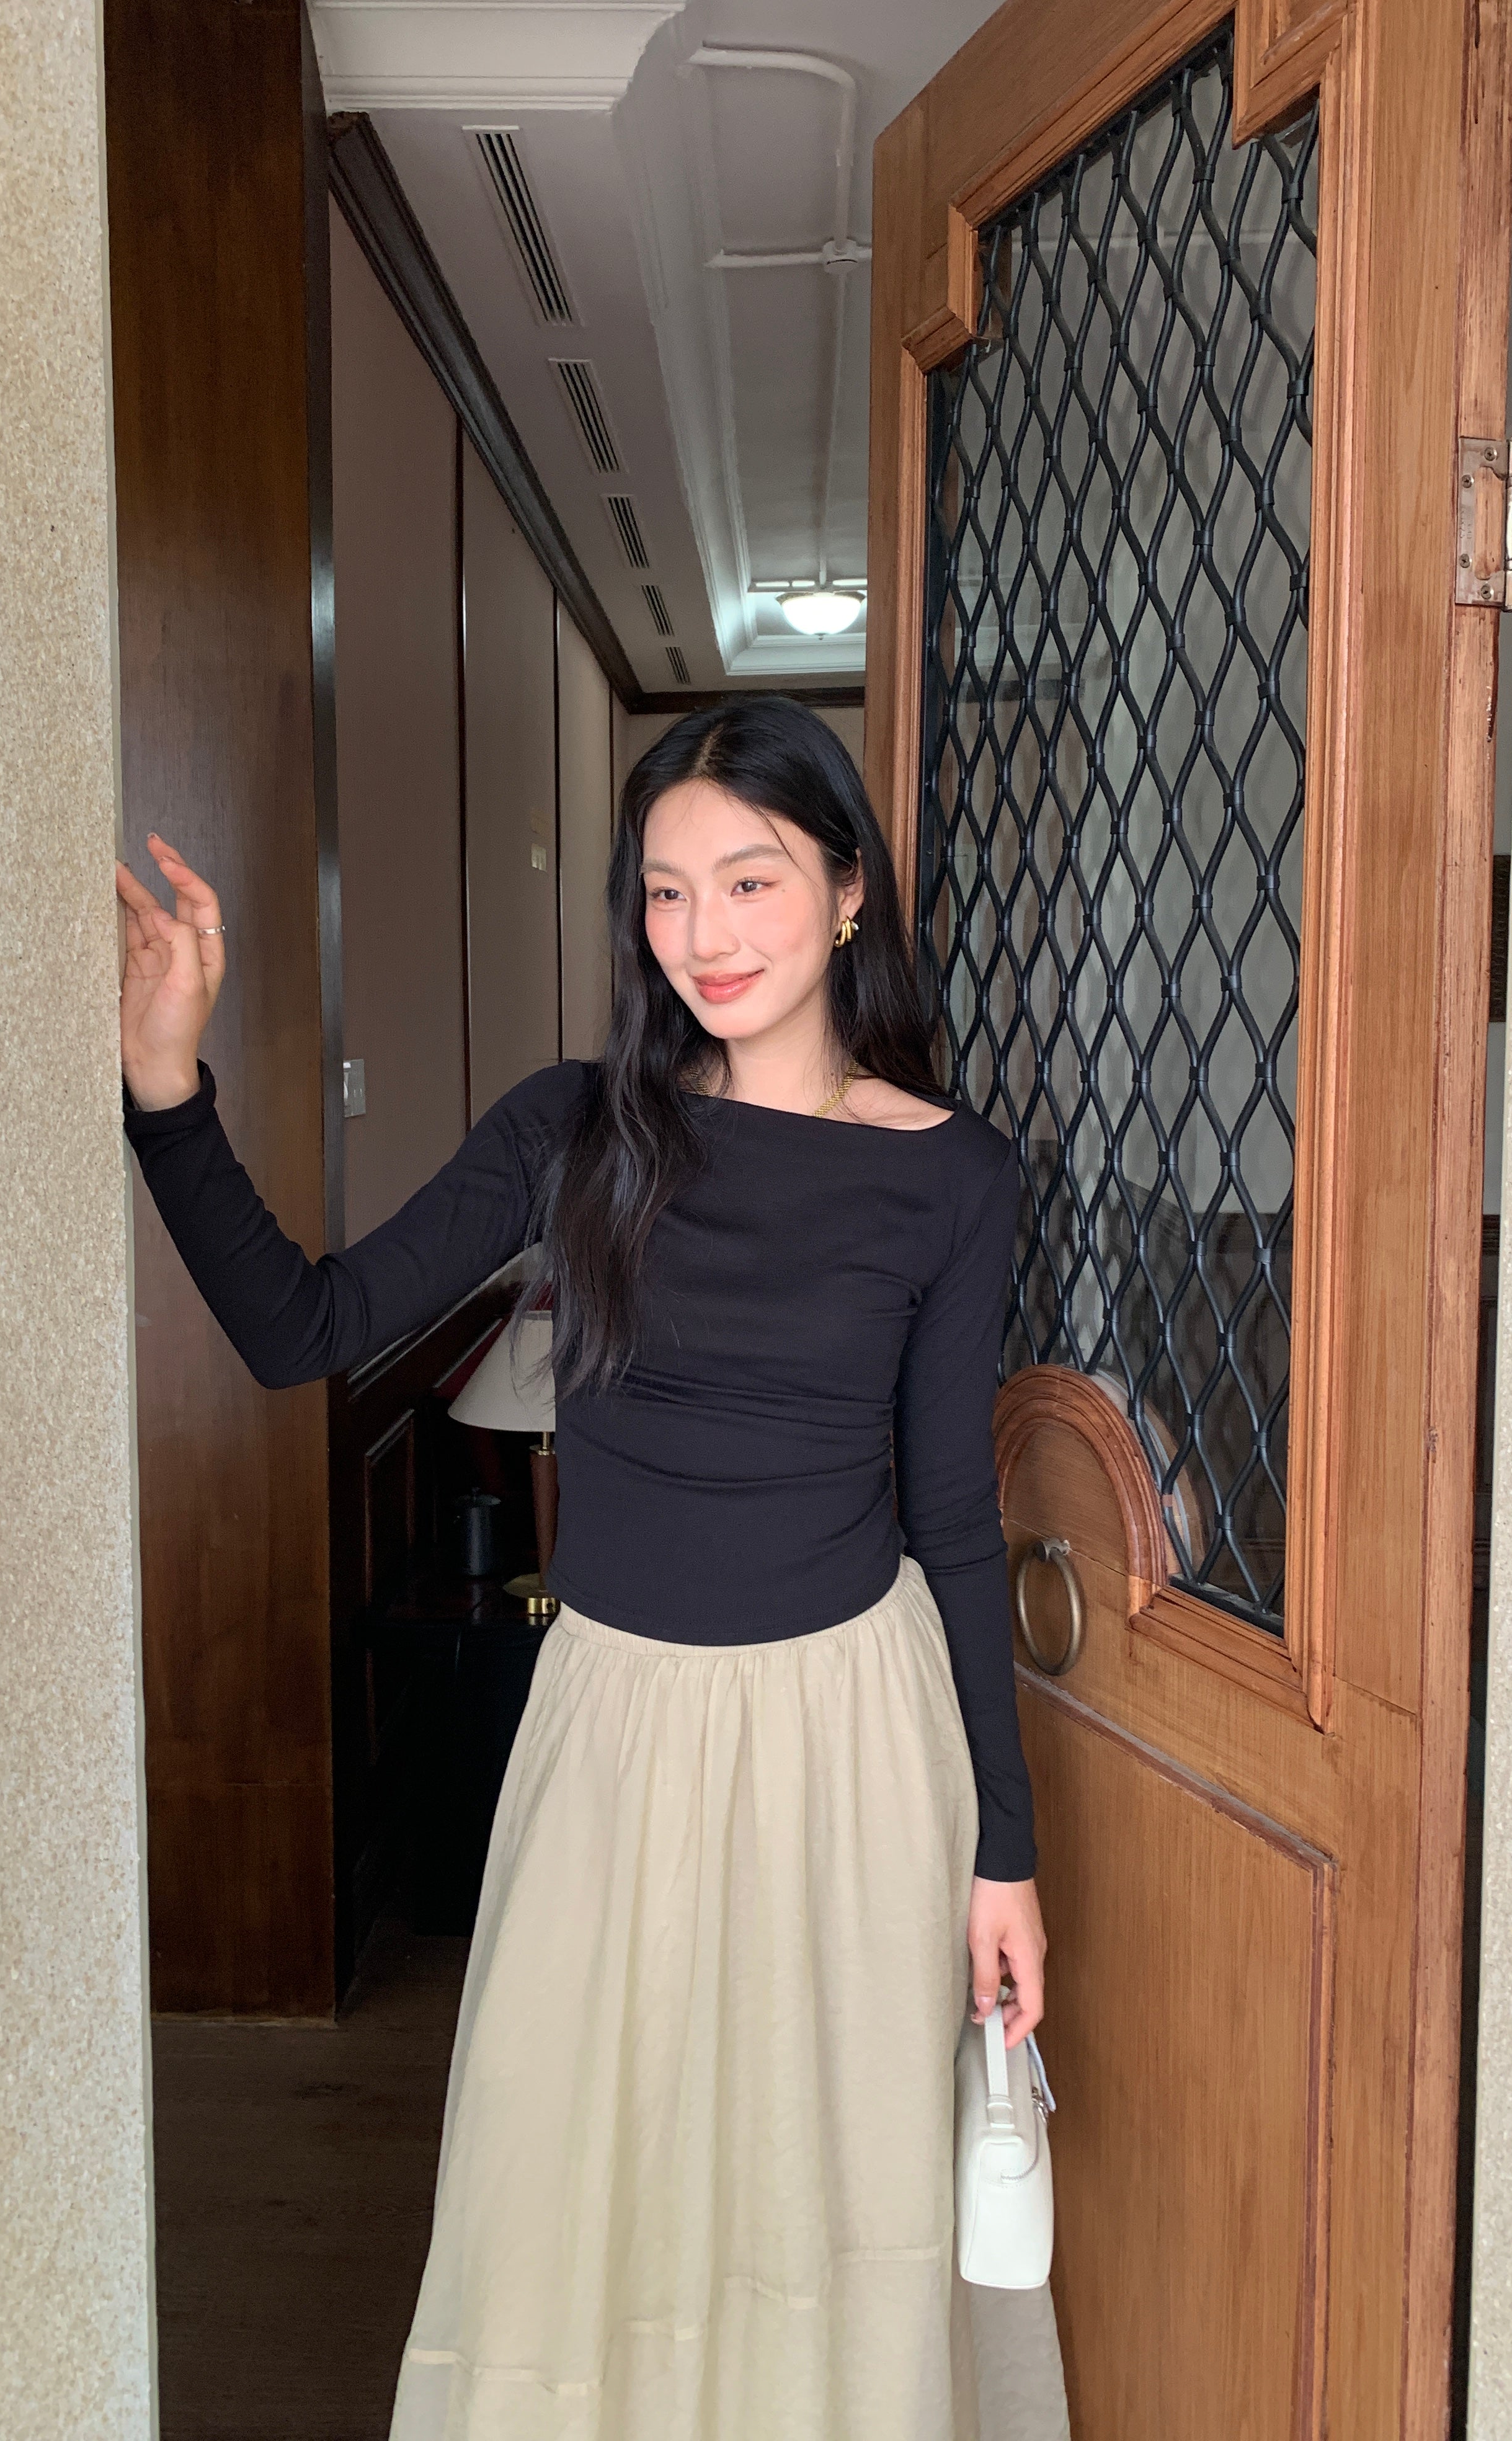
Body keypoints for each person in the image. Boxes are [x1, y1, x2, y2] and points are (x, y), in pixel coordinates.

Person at [117, 696, 1071, 2440]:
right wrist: (168, 1087)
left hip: (855, 1742)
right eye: (666, 892)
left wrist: (1002, 1850)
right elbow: (301, 1329)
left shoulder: (956, 1177)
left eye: (751, 880)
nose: (706, 934)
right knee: (570, 2187)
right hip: (614, 1733)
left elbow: (952, 1517)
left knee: (825, 2191)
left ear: (849, 888)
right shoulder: (576, 1131)